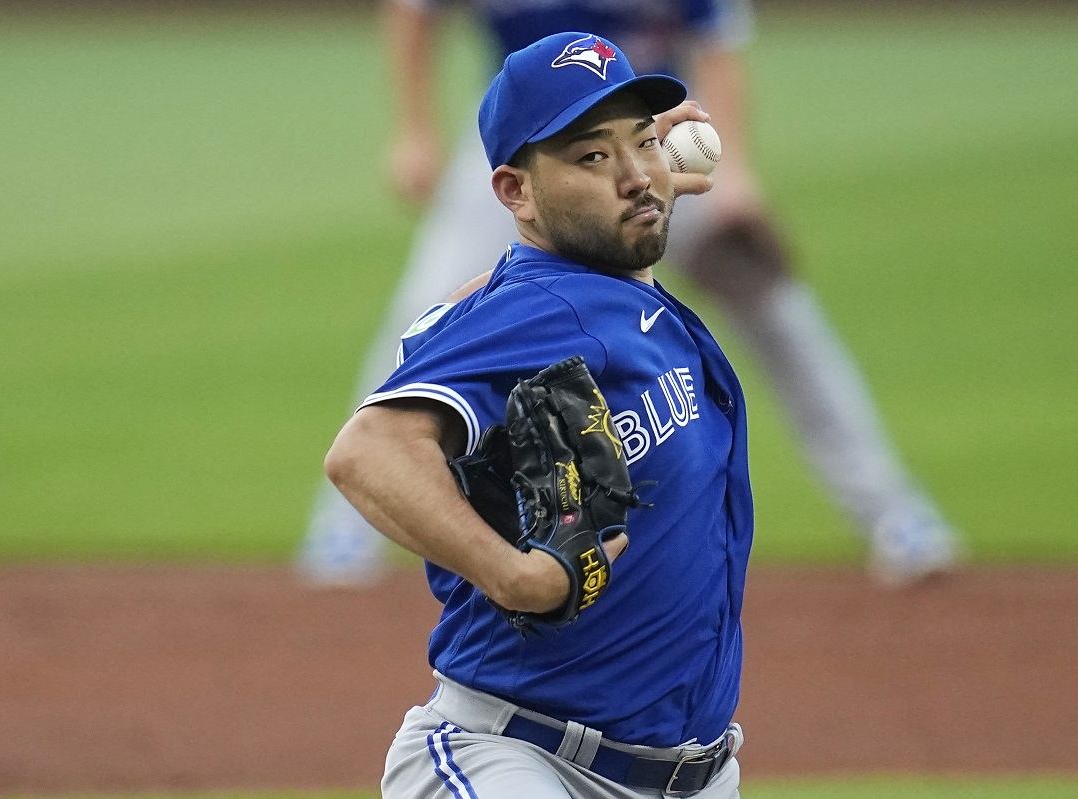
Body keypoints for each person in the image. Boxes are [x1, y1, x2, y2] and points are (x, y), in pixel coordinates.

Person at [298, 0, 960, 588]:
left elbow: (717, 45)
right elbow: (413, 13)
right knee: (426, 315)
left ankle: (894, 513)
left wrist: (737, 178)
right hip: (517, 159)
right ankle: (348, 527)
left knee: (782, 320)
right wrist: (414, 129)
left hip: (655, 145)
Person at [324, 32, 749, 797]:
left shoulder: (606, 291)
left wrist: (636, 183)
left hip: (695, 774)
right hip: (519, 760)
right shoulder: (546, 309)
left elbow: (543, 275)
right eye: (591, 157)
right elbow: (366, 451)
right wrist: (516, 576)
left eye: (644, 143)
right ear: (516, 193)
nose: (633, 175)